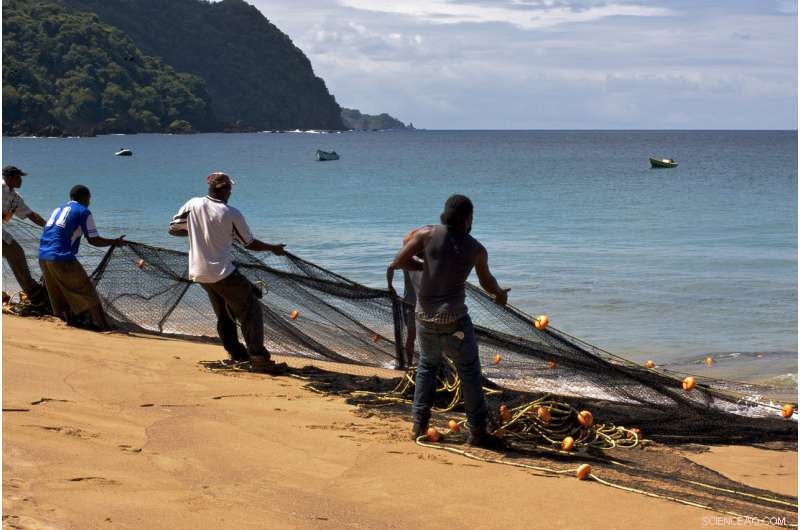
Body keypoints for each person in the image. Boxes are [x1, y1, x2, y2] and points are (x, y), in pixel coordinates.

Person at [387, 195, 510, 448]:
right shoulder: (476, 249)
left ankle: (419, 425)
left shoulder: (426, 234)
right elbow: (487, 282)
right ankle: (477, 432)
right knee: (469, 372)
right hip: (455, 322)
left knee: (427, 367)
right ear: (467, 218)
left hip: (424, 319)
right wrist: (499, 294)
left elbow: (399, 261)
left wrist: (423, 267)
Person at [169, 172, 288, 375]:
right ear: (224, 190)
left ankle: (236, 353)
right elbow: (249, 243)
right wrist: (273, 248)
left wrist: (199, 232)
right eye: (229, 189)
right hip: (222, 272)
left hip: (199, 273)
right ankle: (259, 359)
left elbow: (173, 229)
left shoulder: (192, 204)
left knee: (224, 314)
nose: (230, 193)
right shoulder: (231, 213)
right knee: (251, 310)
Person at [38, 185, 125, 330]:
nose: (89, 202)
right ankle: (105, 328)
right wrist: (114, 242)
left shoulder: (58, 209)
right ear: (84, 198)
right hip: (61, 257)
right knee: (88, 293)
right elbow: (94, 240)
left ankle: (71, 322)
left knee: (61, 291)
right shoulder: (84, 211)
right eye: (89, 198)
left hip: (43, 256)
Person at [2, 165, 50, 310]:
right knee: (16, 253)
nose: (21, 180)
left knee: (17, 253)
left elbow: (30, 214)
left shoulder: (16, 198)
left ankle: (34, 293)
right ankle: (34, 293)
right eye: (18, 177)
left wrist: (48, 226)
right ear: (9, 178)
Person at [386, 226, 431, 367]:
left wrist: (390, 286)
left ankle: (409, 365)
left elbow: (390, 267)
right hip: (426, 305)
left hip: (409, 303)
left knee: (411, 337)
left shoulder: (406, 259)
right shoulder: (427, 260)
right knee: (430, 337)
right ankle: (427, 364)